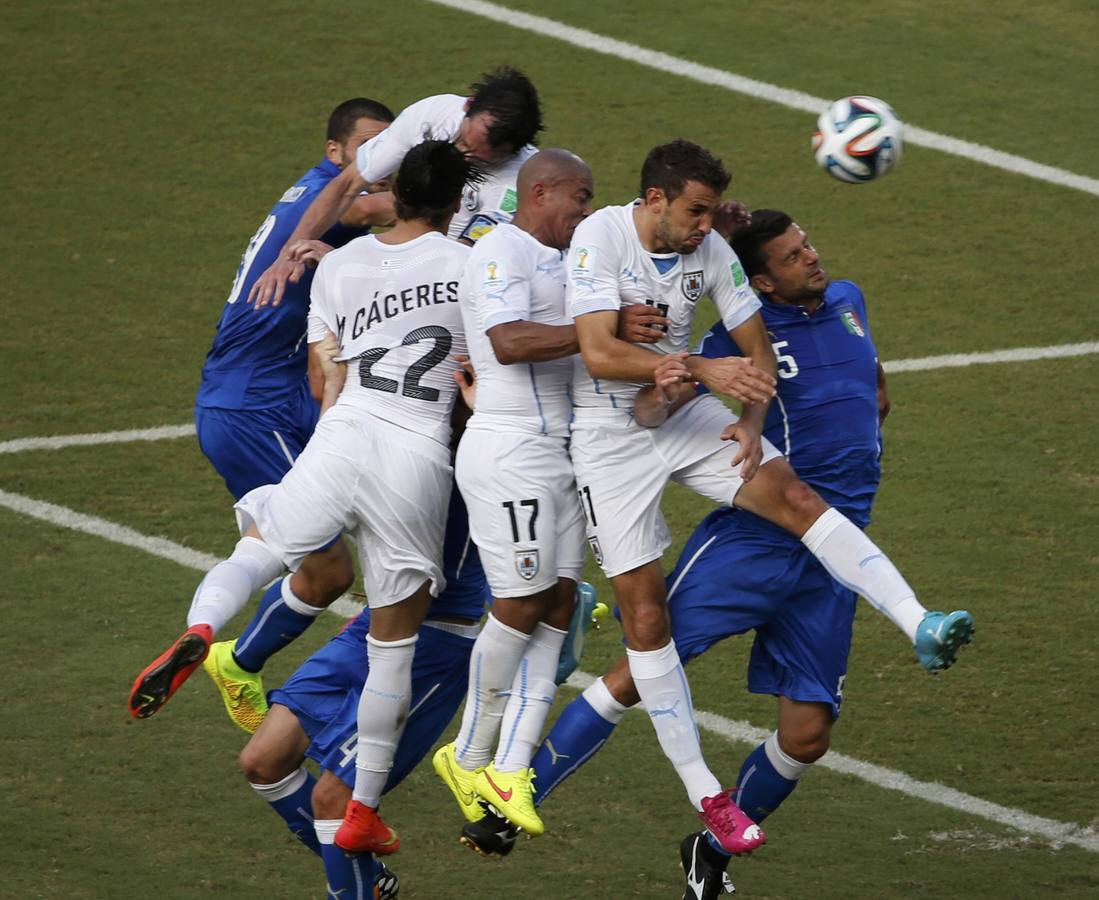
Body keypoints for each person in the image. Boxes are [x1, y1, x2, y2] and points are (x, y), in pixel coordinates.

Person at [565, 142, 968, 857]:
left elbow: (806, 378)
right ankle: (520, 781)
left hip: (824, 540)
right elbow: (611, 365)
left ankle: (918, 623)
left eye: (808, 245)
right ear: (655, 200)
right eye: (694, 210)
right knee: (647, 637)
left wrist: (751, 420)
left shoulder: (836, 298)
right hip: (629, 452)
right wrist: (699, 368)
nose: (811, 258)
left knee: (808, 731)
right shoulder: (602, 237)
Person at [130, 140, 481, 856]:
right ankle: (361, 808)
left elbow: (326, 380)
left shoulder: (340, 265)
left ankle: (202, 630)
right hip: (414, 457)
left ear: (391, 195)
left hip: (339, 437)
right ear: (452, 204)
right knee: (392, 642)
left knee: (260, 549)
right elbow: (480, 376)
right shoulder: (471, 266)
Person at [127, 99, 397, 733]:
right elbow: (382, 212)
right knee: (327, 567)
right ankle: (233, 654)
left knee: (385, 484)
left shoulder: (313, 192)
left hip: (281, 392)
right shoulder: (334, 199)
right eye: (371, 148)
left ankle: (219, 637)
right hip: (253, 406)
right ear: (336, 152)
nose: (383, 162)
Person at [431, 149, 595, 839]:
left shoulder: (567, 257)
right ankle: (466, 753)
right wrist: (597, 335)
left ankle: (509, 767)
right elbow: (507, 340)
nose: (585, 211)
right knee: (521, 601)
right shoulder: (499, 250)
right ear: (542, 191)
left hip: (556, 456)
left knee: (557, 605)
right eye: (578, 198)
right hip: (509, 450)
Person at [240, 488, 487, 899]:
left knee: (334, 801)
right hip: (373, 625)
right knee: (263, 761)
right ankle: (368, 879)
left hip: (434, 644)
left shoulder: (474, 456)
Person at [249, 67, 545, 310]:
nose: (462, 154)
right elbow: (347, 184)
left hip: (465, 296)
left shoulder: (519, 184)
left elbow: (455, 267)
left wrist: (341, 263)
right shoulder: (433, 115)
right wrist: (286, 256)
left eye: (479, 156)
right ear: (468, 104)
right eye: (465, 140)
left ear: (512, 151)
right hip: (417, 275)